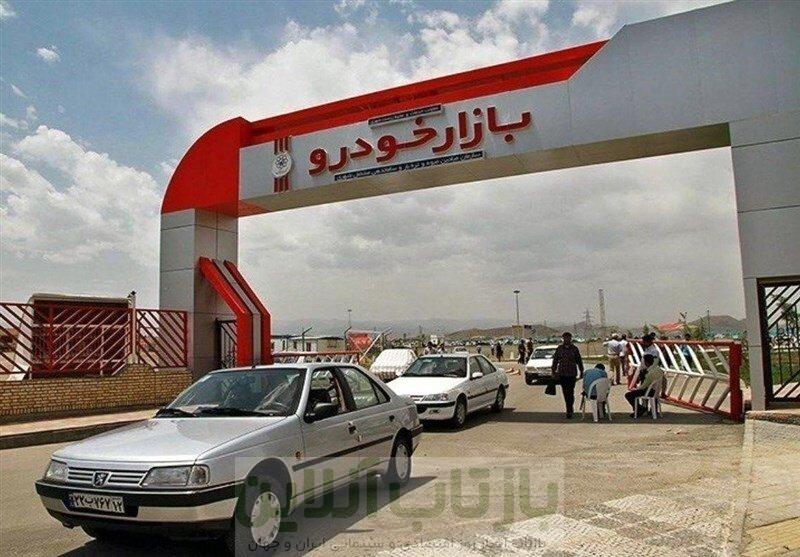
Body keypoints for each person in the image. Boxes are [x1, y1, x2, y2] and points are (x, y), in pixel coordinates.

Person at [551, 332, 584, 418]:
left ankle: (570, 408)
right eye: (565, 338)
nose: (567, 339)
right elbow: (555, 360)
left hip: (572, 373)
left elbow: (579, 361)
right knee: (565, 392)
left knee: (571, 392)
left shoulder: (574, 349)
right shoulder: (559, 349)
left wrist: (581, 371)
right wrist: (553, 371)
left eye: (568, 338)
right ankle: (568, 409)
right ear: (563, 339)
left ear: (570, 338)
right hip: (562, 373)